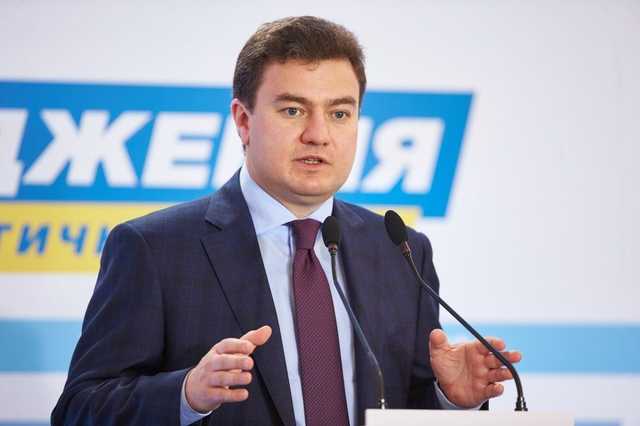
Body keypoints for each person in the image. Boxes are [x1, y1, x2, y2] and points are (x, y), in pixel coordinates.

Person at [52, 16, 521, 426]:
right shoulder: (154, 248)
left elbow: (400, 407)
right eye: (293, 110)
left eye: (339, 113)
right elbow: (79, 409)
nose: (318, 134)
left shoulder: (399, 249)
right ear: (243, 120)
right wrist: (186, 395)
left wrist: (449, 400)